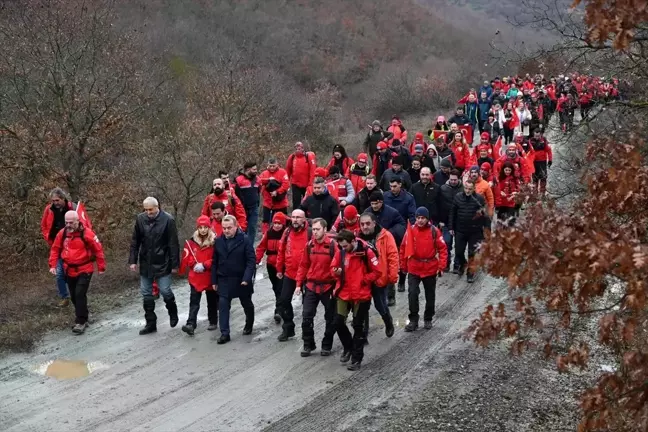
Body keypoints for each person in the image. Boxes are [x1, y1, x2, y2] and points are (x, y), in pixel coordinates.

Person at [48, 210, 106, 334]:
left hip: (85, 269)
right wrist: (52, 265)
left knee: (79, 294)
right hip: (69, 269)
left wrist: (101, 267)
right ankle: (84, 315)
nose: (68, 225)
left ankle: (80, 321)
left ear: (77, 221)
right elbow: (55, 249)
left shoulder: (87, 234)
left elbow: (98, 250)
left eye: (71, 222)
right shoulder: (62, 234)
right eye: (66, 222)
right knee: (74, 296)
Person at [331, 230, 381, 371]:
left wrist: (364, 280)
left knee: (358, 326)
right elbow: (332, 268)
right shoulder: (340, 252)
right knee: (338, 322)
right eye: (341, 246)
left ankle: (356, 359)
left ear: (353, 241)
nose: (343, 248)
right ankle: (348, 347)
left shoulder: (366, 252)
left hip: (361, 294)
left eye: (345, 246)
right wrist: (336, 272)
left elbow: (377, 271)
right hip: (344, 293)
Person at [129, 197, 180, 335]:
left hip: (163, 261)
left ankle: (172, 311)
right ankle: (150, 323)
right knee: (146, 292)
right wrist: (133, 261)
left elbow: (173, 244)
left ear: (157, 207)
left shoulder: (168, 220)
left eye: (150, 209)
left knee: (165, 290)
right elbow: (135, 241)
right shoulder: (140, 219)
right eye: (145, 210)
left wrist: (175, 264)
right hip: (146, 261)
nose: (148, 212)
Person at [296, 218, 338, 357]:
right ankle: (308, 344)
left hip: (328, 286)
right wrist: (298, 284)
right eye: (313, 229)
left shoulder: (333, 246)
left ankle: (326, 345)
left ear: (325, 230)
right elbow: (303, 266)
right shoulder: (309, 246)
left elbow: (339, 267)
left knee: (330, 318)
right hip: (311, 285)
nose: (314, 232)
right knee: (306, 316)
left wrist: (337, 286)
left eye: (317, 229)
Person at [400, 207, 447, 331]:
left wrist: (441, 266)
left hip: (430, 268)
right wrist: (403, 266)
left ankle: (428, 318)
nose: (420, 220)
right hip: (414, 267)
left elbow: (442, 249)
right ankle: (413, 320)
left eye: (423, 218)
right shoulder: (410, 231)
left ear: (427, 219)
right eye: (418, 218)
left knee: (430, 295)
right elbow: (403, 249)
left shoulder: (434, 231)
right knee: (412, 294)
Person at [211, 215, 256, 344]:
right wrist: (214, 281)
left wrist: (247, 278)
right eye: (224, 228)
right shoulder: (219, 241)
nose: (226, 230)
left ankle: (249, 323)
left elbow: (251, 261)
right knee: (223, 305)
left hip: (241, 279)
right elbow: (215, 262)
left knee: (246, 303)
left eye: (229, 228)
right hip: (224, 279)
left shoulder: (245, 240)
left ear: (236, 227)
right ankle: (225, 333)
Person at [357, 213, 397, 340]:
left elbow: (393, 256)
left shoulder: (385, 236)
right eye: (362, 224)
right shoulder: (356, 238)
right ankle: (363, 334)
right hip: (363, 279)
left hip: (379, 277)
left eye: (368, 223)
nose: (365, 227)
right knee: (363, 307)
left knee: (380, 304)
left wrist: (392, 276)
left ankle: (388, 321)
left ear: (374, 223)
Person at [180, 216, 218, 336]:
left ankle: (213, 320)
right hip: (196, 276)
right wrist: (193, 264)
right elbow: (188, 256)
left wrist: (205, 265)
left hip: (209, 274)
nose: (203, 230)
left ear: (209, 227)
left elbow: (216, 258)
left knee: (211, 300)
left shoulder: (215, 241)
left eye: (205, 227)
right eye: (200, 227)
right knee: (194, 301)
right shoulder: (191, 242)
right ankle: (191, 323)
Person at [276, 209, 310, 341]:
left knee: (307, 306)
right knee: (284, 300)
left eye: (298, 217)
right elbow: (281, 249)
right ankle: (288, 327)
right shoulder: (287, 231)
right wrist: (279, 268)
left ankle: (307, 333)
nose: (295, 220)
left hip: (307, 274)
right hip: (290, 272)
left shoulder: (310, 232)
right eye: (293, 217)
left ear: (304, 219)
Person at [449, 181, 489, 283]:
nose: (467, 191)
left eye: (470, 189)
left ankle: (470, 273)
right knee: (458, 252)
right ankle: (463, 264)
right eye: (466, 188)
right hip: (460, 230)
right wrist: (451, 227)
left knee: (472, 253)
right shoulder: (458, 197)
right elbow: (452, 213)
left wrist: (487, 229)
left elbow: (485, 215)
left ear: (474, 188)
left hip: (475, 231)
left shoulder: (479, 199)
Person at [41, 187, 75, 306]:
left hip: (72, 245)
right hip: (57, 245)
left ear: (63, 198)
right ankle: (64, 297)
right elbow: (44, 225)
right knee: (59, 272)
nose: (55, 203)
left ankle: (76, 293)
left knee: (71, 271)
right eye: (53, 201)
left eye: (57, 200)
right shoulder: (49, 210)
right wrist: (48, 238)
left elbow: (83, 224)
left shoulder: (72, 207)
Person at [255, 212, 288, 324]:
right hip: (270, 265)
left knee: (280, 288)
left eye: (279, 223)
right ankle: (282, 306)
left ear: (283, 224)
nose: (277, 225)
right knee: (276, 287)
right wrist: (257, 259)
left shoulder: (286, 234)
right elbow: (261, 247)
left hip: (283, 265)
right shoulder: (269, 234)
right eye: (275, 223)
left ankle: (278, 310)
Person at [438, 170, 463, 272]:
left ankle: (457, 265)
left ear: (458, 179)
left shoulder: (463, 189)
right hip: (446, 221)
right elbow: (438, 204)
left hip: (459, 221)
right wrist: (440, 220)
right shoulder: (443, 188)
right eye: (451, 179)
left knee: (459, 245)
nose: (453, 181)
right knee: (446, 243)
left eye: (455, 180)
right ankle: (446, 263)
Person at [259, 157, 290, 234]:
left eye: (273, 166)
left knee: (282, 221)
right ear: (267, 165)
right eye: (270, 166)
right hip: (267, 202)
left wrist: (277, 191)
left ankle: (283, 236)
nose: (272, 168)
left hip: (281, 203)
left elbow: (286, 184)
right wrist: (268, 180)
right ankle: (265, 236)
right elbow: (259, 181)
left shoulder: (283, 172)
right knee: (266, 221)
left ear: (277, 165)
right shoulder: (264, 173)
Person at [286, 141, 316, 210]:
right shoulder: (292, 157)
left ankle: (308, 217)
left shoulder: (309, 156)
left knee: (308, 202)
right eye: (296, 148)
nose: (298, 150)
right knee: (296, 203)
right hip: (295, 184)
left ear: (303, 148)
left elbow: (313, 171)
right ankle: (296, 217)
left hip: (307, 184)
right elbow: (288, 170)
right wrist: (287, 183)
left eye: (300, 148)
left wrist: (311, 184)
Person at [235, 162, 261, 242]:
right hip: (242, 208)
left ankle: (250, 247)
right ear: (248, 170)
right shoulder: (239, 180)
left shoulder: (258, 179)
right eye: (254, 169)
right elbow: (236, 194)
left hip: (254, 207)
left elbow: (259, 191)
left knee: (252, 228)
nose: (256, 171)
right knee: (243, 227)